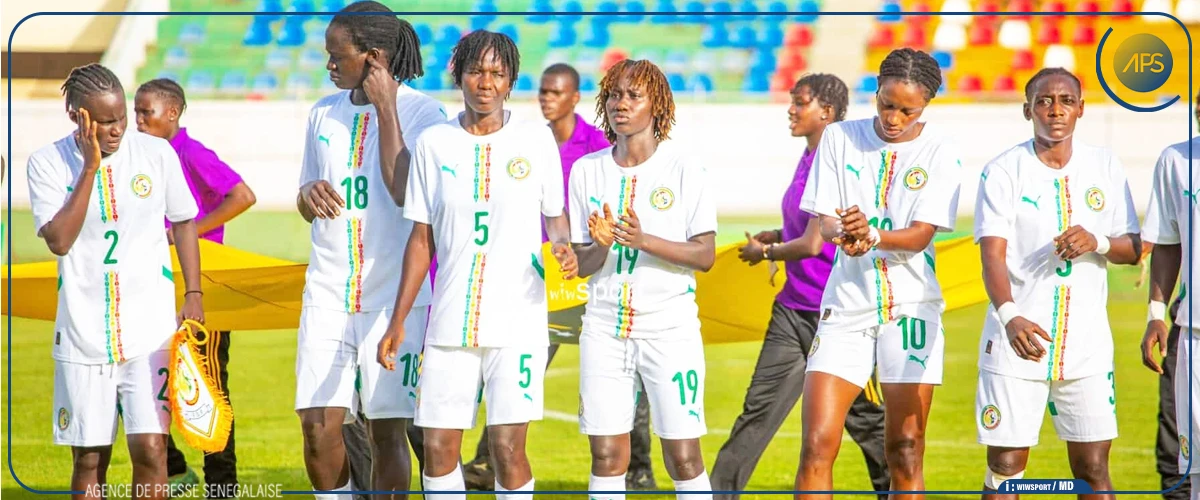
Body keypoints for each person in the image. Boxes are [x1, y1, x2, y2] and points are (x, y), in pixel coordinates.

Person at [376, 29, 578, 500]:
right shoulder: (433, 143)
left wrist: (564, 249)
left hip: (519, 320)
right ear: (458, 76)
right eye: (475, 70)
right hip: (450, 321)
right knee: (439, 445)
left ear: (510, 82)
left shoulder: (535, 140)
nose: (485, 81)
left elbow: (557, 220)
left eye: (497, 72)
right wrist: (400, 318)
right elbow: (420, 238)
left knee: (507, 449)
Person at [458, 62, 659, 492]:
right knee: (518, 364)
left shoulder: (599, 147)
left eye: (555, 92)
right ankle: (486, 460)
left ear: (575, 97)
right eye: (543, 91)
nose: (546, 99)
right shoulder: (525, 140)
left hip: (595, 272)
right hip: (541, 277)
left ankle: (639, 466)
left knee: (630, 371)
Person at [27, 62, 206, 500]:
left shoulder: (156, 154)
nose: (117, 130)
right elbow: (60, 241)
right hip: (83, 334)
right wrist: (89, 169)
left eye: (121, 117)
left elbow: (184, 221)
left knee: (151, 449)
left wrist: (194, 293)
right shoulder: (47, 163)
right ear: (77, 116)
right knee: (90, 458)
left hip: (150, 332)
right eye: (104, 122)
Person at [293, 2, 447, 498]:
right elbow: (303, 198)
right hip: (327, 292)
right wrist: (308, 194)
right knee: (317, 427)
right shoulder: (321, 112)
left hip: (393, 300)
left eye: (338, 56)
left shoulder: (426, 114)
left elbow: (405, 191)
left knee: (387, 433)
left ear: (374, 57)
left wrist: (385, 107)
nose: (329, 65)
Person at [793, 47, 961, 500]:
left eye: (908, 109)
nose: (894, 116)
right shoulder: (839, 138)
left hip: (911, 310)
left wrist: (872, 235)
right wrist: (841, 232)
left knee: (905, 448)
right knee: (816, 445)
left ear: (926, 103)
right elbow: (824, 221)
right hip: (845, 307)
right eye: (887, 103)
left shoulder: (940, 150)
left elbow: (922, 235)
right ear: (877, 91)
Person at [713, 73, 890, 500]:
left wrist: (766, 255)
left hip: (840, 317)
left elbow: (813, 245)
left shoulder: (839, 158)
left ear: (826, 112)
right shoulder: (809, 154)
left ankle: (899, 491)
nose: (791, 110)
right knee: (757, 413)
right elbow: (809, 226)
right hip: (792, 312)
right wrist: (778, 233)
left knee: (869, 425)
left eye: (800, 103)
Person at [973, 67, 1141, 498]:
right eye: (1044, 101)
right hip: (1018, 339)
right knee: (1006, 465)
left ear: (1081, 109)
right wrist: (1010, 316)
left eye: (1066, 100)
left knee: (1092, 467)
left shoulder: (1103, 164)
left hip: (1086, 343)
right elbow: (991, 253)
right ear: (1027, 109)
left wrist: (1097, 240)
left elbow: (1133, 248)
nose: (1055, 110)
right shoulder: (1003, 170)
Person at [568, 58, 717, 500]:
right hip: (604, 329)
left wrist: (643, 239)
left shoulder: (685, 167)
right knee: (607, 456)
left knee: (683, 456)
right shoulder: (586, 170)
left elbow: (705, 255)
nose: (621, 103)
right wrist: (601, 246)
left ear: (657, 105)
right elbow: (586, 264)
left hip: (669, 329)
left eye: (634, 95)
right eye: (614, 94)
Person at [133, 77, 257, 497]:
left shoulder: (190, 152)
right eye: (135, 112)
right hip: (154, 288)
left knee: (207, 388)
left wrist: (186, 232)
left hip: (202, 290)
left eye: (145, 112)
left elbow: (242, 195)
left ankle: (223, 486)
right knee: (148, 382)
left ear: (172, 113)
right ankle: (173, 470)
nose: (137, 121)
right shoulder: (142, 156)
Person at [1142, 91, 1200, 500]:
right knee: (1192, 467)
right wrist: (1156, 313)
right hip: (1194, 333)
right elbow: (1167, 242)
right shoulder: (1177, 160)